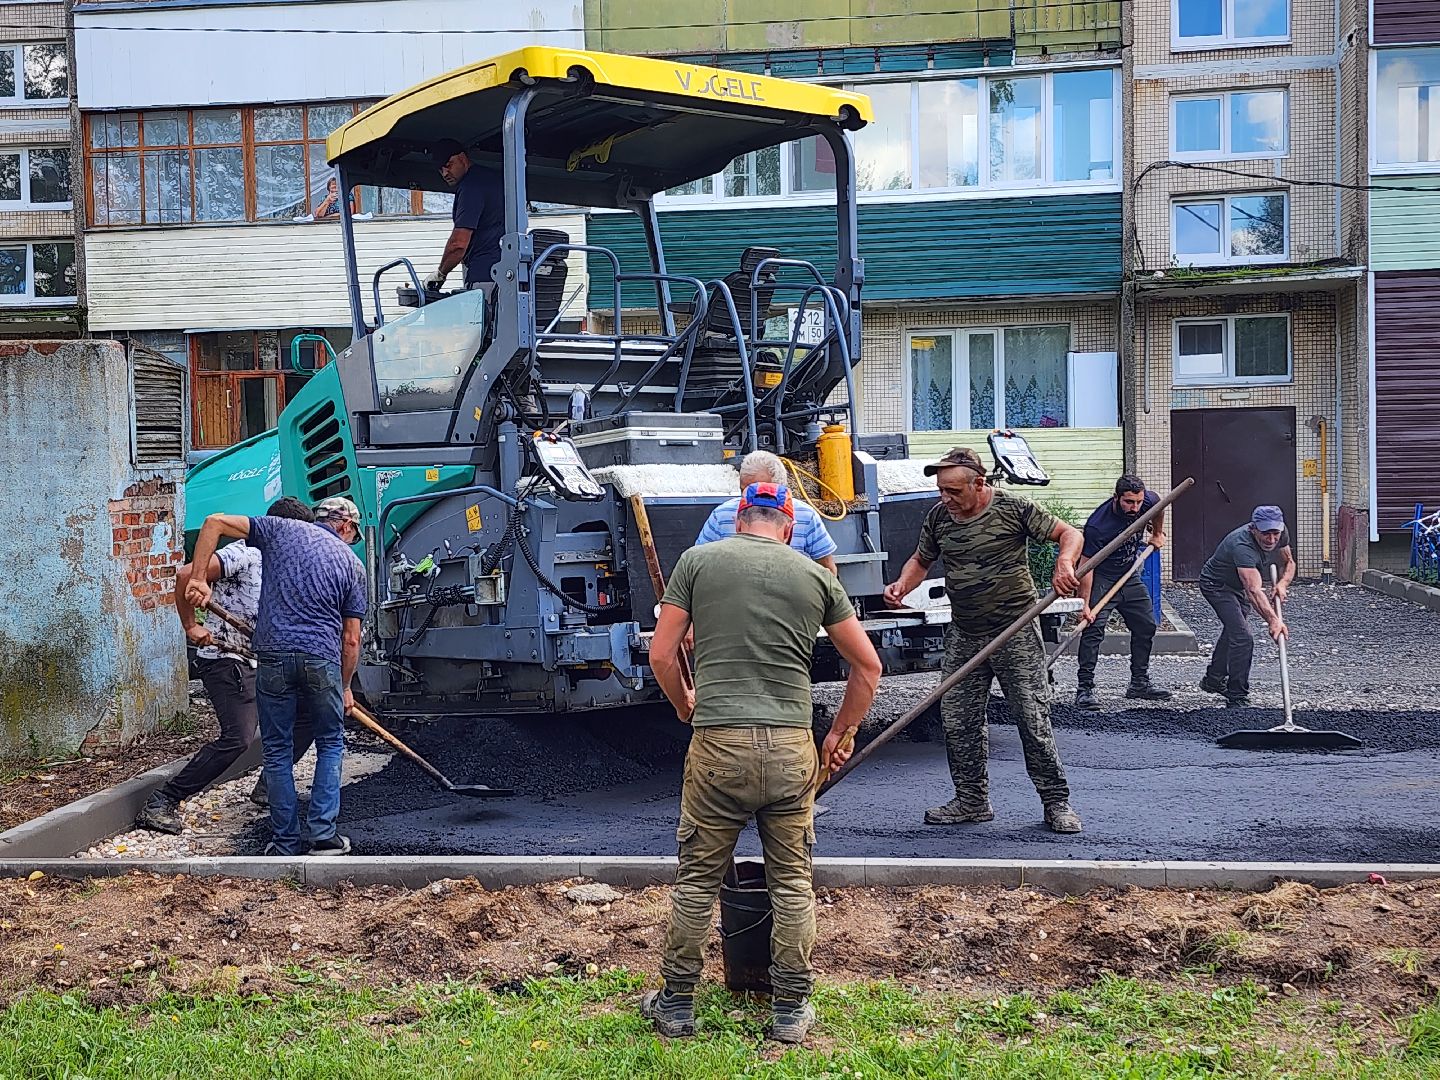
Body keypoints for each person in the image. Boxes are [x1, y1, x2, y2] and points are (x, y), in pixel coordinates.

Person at [642, 483, 881, 1044]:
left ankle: (676, 1003)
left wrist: (685, 704)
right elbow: (867, 668)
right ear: (790, 523)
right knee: (792, 881)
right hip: (792, 748)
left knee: (698, 881)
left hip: (718, 745)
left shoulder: (697, 562)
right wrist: (839, 735)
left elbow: (660, 652)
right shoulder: (816, 577)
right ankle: (791, 1009)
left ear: (739, 518)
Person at [882, 447, 1084, 834]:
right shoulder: (940, 517)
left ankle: (1056, 802)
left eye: (954, 491)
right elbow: (921, 560)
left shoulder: (1013, 509)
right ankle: (971, 801)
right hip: (965, 634)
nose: (946, 498)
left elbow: (1070, 534)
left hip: (1015, 630)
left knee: (1031, 718)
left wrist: (1064, 563)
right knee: (958, 720)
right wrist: (902, 587)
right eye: (941, 489)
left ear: (979, 483)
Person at [185, 496, 367, 856]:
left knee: (278, 750)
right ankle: (322, 836)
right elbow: (351, 639)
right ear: (345, 526)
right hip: (322, 660)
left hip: (273, 658)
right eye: (353, 532)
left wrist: (198, 579)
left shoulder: (280, 529)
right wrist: (345, 687)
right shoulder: (351, 563)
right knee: (330, 743)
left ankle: (284, 842)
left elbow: (213, 522)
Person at [136, 497, 317, 835]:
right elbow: (188, 574)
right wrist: (192, 626)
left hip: (260, 659)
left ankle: (268, 787)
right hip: (226, 659)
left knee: (308, 713)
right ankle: (162, 800)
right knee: (238, 738)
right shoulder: (246, 553)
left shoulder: (286, 563)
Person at [1073, 475, 1171, 710]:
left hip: (1129, 575)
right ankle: (1084, 689)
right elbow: (1086, 566)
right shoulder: (1098, 525)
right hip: (1102, 577)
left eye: (1137, 502)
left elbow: (1159, 506)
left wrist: (1157, 533)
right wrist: (1084, 604)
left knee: (1146, 624)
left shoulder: (1147, 501)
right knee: (1093, 629)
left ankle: (1139, 683)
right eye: (1128, 502)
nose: (1135, 508)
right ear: (1116, 498)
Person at [1198, 505, 1294, 708]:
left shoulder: (1281, 533)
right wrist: (1273, 621)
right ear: (1253, 529)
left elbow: (1289, 562)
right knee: (1243, 637)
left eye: (1275, 533)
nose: (1271, 540)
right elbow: (1253, 590)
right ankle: (1237, 696)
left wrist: (1282, 584)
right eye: (1265, 534)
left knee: (1235, 629)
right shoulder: (1242, 546)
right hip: (1216, 585)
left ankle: (1213, 679)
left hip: (1238, 586)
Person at [695, 450, 839, 574]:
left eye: (761, 493)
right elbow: (697, 564)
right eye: (745, 491)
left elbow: (827, 569)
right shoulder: (721, 515)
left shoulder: (806, 516)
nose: (751, 499)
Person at [423, 138, 505, 292]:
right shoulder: (496, 179)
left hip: (485, 275)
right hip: (509, 271)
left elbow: (458, 244)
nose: (445, 173)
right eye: (441, 170)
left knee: (483, 315)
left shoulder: (471, 187)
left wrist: (440, 274)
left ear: (462, 158)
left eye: (448, 166)